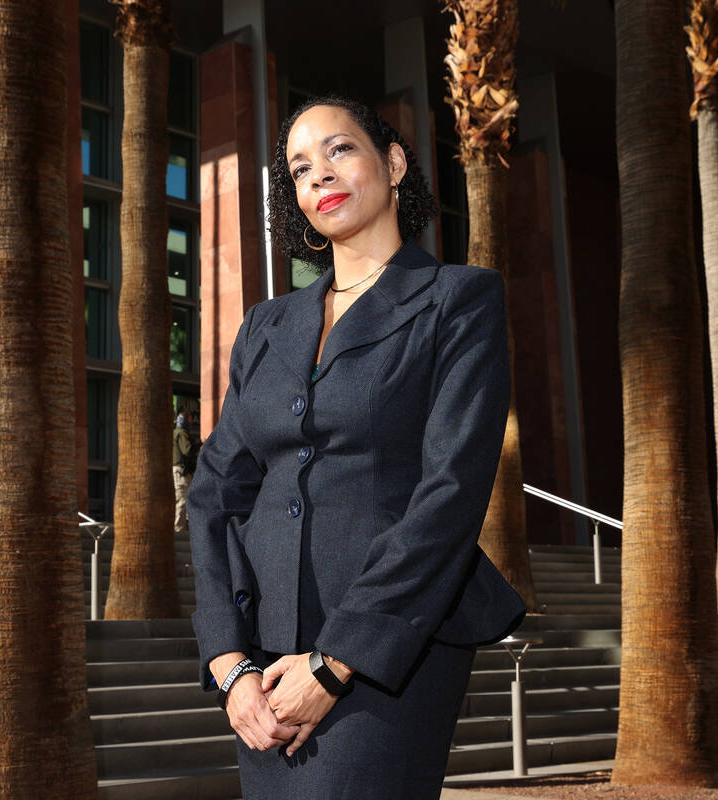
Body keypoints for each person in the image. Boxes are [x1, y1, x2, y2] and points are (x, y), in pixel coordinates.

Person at [187, 95, 526, 799]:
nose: (320, 176)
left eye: (340, 150)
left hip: (389, 649)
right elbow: (217, 488)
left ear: (393, 162)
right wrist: (227, 659)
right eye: (300, 168)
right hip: (262, 663)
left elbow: (452, 490)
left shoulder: (458, 299)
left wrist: (338, 661)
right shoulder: (265, 326)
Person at [173, 404, 199, 536]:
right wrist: (199, 444)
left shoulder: (176, 432)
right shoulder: (181, 433)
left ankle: (182, 527)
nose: (191, 421)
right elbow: (187, 450)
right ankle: (179, 529)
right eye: (189, 418)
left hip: (181, 471)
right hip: (181, 471)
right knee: (183, 500)